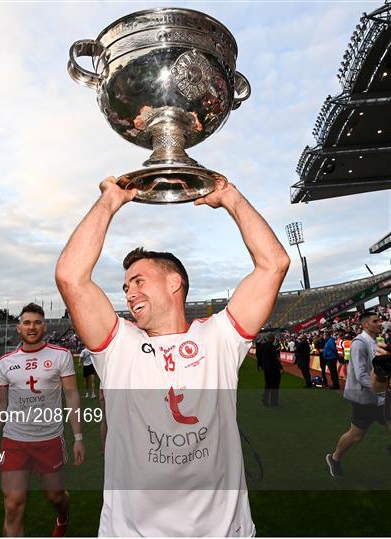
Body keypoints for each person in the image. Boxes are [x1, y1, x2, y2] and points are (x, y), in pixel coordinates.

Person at [55, 176, 290, 536]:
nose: (128, 292)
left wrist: (230, 197)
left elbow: (274, 264)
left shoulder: (218, 338)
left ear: (174, 282)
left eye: (138, 280)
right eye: (125, 286)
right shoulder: (119, 346)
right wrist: (110, 201)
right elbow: (71, 276)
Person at [0, 303, 84, 537]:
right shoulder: (6, 362)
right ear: (19, 328)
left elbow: (71, 395)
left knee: (55, 496)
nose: (32, 327)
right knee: (12, 504)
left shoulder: (60, 356)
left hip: (49, 438)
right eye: (27, 323)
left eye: (37, 322)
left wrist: (78, 437)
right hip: (15, 440)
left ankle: (63, 515)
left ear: (45, 326)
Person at [326, 312, 385, 478]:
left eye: (380, 320)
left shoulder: (377, 342)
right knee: (356, 436)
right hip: (364, 399)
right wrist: (380, 387)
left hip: (380, 397)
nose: (380, 323)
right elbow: (361, 375)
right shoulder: (359, 343)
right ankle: (335, 458)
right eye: (375, 321)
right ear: (365, 325)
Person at [257, 334, 283, 406]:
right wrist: (280, 367)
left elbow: (259, 356)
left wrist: (259, 365)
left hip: (266, 368)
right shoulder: (272, 346)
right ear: (272, 339)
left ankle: (265, 400)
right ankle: (274, 401)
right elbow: (274, 359)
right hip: (273, 369)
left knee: (268, 384)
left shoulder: (262, 346)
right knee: (275, 385)